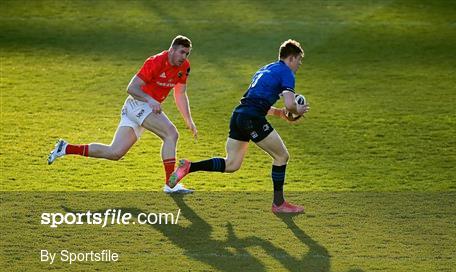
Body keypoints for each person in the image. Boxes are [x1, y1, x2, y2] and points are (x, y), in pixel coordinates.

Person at [168, 39, 309, 213]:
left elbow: (254, 100)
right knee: (282, 156)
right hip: (252, 118)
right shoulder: (287, 73)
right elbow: (290, 104)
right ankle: (279, 204)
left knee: (232, 164)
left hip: (239, 115)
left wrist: (279, 113)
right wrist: (298, 109)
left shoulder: (266, 69)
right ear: (292, 58)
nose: (299, 64)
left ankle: (189, 166)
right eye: (299, 60)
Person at [47, 35, 198, 193]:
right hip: (138, 104)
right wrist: (149, 99)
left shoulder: (184, 67)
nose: (184, 57)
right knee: (171, 134)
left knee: (115, 152)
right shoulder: (155, 62)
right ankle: (170, 184)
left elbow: (180, 93)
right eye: (181, 52)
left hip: (143, 108)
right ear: (172, 49)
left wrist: (188, 120)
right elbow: (131, 88)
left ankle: (65, 148)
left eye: (187, 53)